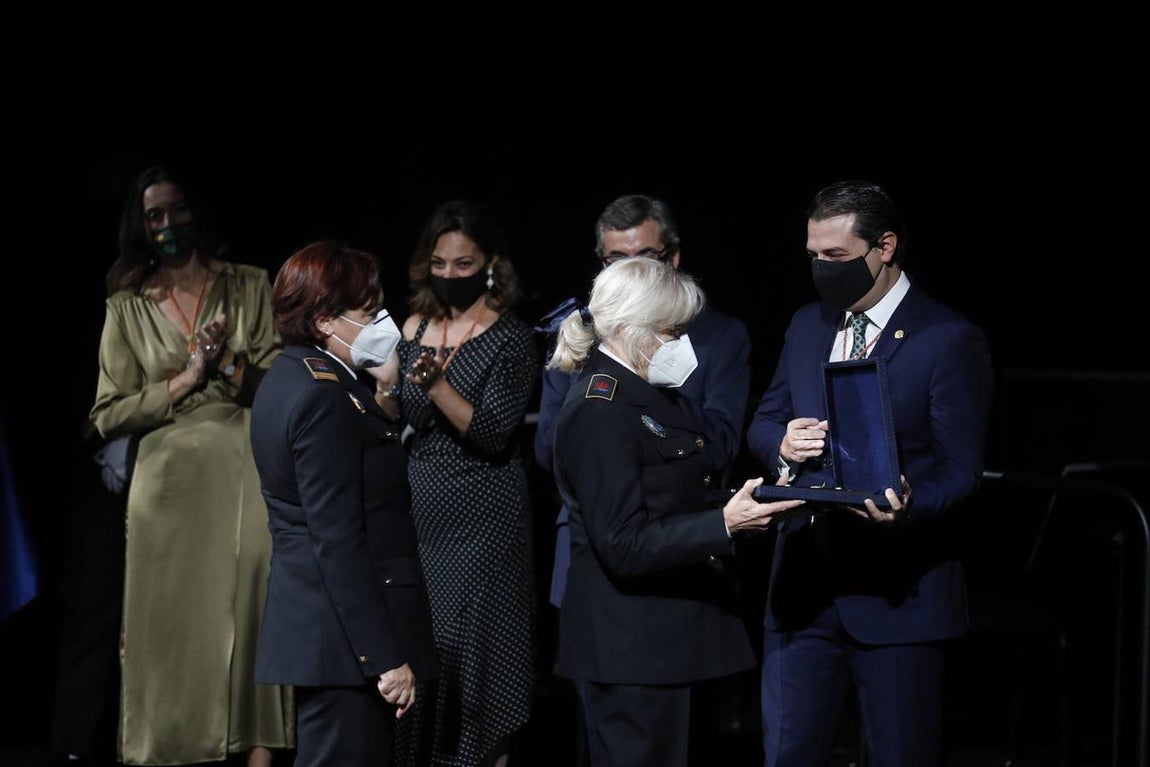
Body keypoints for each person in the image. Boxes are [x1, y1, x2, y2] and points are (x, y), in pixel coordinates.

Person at [746, 179, 994, 766]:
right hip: (803, 591)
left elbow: (961, 470)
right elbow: (764, 419)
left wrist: (910, 503)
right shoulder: (808, 324)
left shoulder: (947, 338)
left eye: (836, 257)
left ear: (885, 247)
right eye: (813, 257)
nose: (822, 270)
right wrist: (782, 444)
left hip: (898, 598)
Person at [545, 256, 803, 767]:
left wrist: (752, 500)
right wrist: (725, 523)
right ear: (629, 330)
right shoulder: (598, 412)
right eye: (672, 330)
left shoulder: (655, 396)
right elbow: (623, 545)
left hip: (679, 640)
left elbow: (698, 474)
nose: (683, 345)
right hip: (633, 653)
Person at [89, 164, 293, 766]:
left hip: (242, 448)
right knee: (171, 618)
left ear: (194, 211)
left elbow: (278, 383)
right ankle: (171, 744)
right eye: (154, 216)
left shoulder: (249, 284)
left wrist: (225, 361)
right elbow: (107, 412)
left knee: (256, 582)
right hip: (168, 464)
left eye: (175, 210)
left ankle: (257, 746)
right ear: (140, 226)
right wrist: (183, 380)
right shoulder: (126, 308)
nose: (168, 224)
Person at [249, 240, 439, 767]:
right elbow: (337, 537)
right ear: (326, 321)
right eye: (366, 312)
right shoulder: (321, 394)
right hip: (342, 646)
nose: (383, 321)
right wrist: (384, 657)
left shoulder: (294, 377)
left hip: (332, 637)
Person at [534, 192, 751, 607]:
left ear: (672, 257)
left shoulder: (713, 338)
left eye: (646, 256)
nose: (633, 270)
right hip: (602, 543)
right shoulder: (582, 342)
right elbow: (550, 445)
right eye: (616, 260)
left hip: (685, 536)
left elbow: (720, 442)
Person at [383, 199, 538, 767]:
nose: (450, 275)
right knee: (427, 659)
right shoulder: (414, 327)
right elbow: (401, 416)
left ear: (491, 265)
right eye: (441, 264)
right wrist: (384, 392)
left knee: (481, 663)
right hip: (422, 518)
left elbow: (494, 432)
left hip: (484, 521)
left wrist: (438, 383)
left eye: (464, 263)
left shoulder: (511, 339)